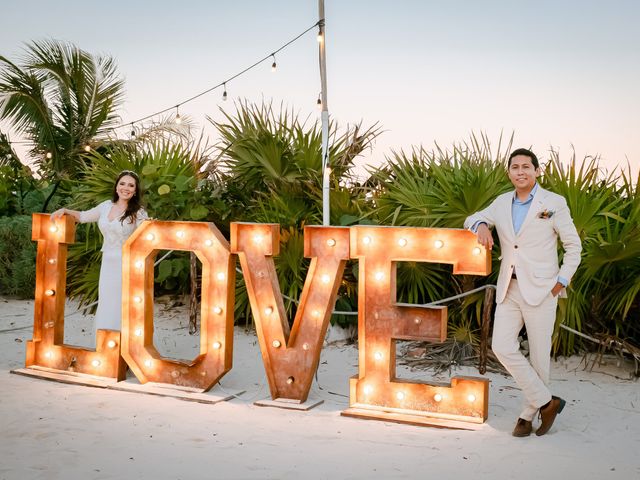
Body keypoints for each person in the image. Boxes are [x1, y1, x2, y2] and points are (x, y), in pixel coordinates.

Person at [464, 148, 582, 437]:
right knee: (501, 346)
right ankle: (546, 401)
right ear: (509, 172)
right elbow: (470, 218)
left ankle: (527, 415)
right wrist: (480, 226)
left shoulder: (553, 203)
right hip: (509, 287)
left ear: (537, 171)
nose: (520, 171)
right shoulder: (501, 203)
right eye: (515, 167)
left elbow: (574, 248)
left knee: (540, 356)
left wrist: (560, 283)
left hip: (543, 290)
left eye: (526, 166)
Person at [52, 170, 148, 331]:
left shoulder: (139, 213)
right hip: (108, 262)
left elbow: (146, 236)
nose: (126, 188)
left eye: (131, 185)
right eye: (122, 183)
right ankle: (104, 343)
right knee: (107, 301)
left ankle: (123, 344)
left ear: (135, 191)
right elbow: (83, 216)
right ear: (116, 187)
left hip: (127, 264)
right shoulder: (105, 206)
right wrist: (65, 210)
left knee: (121, 302)